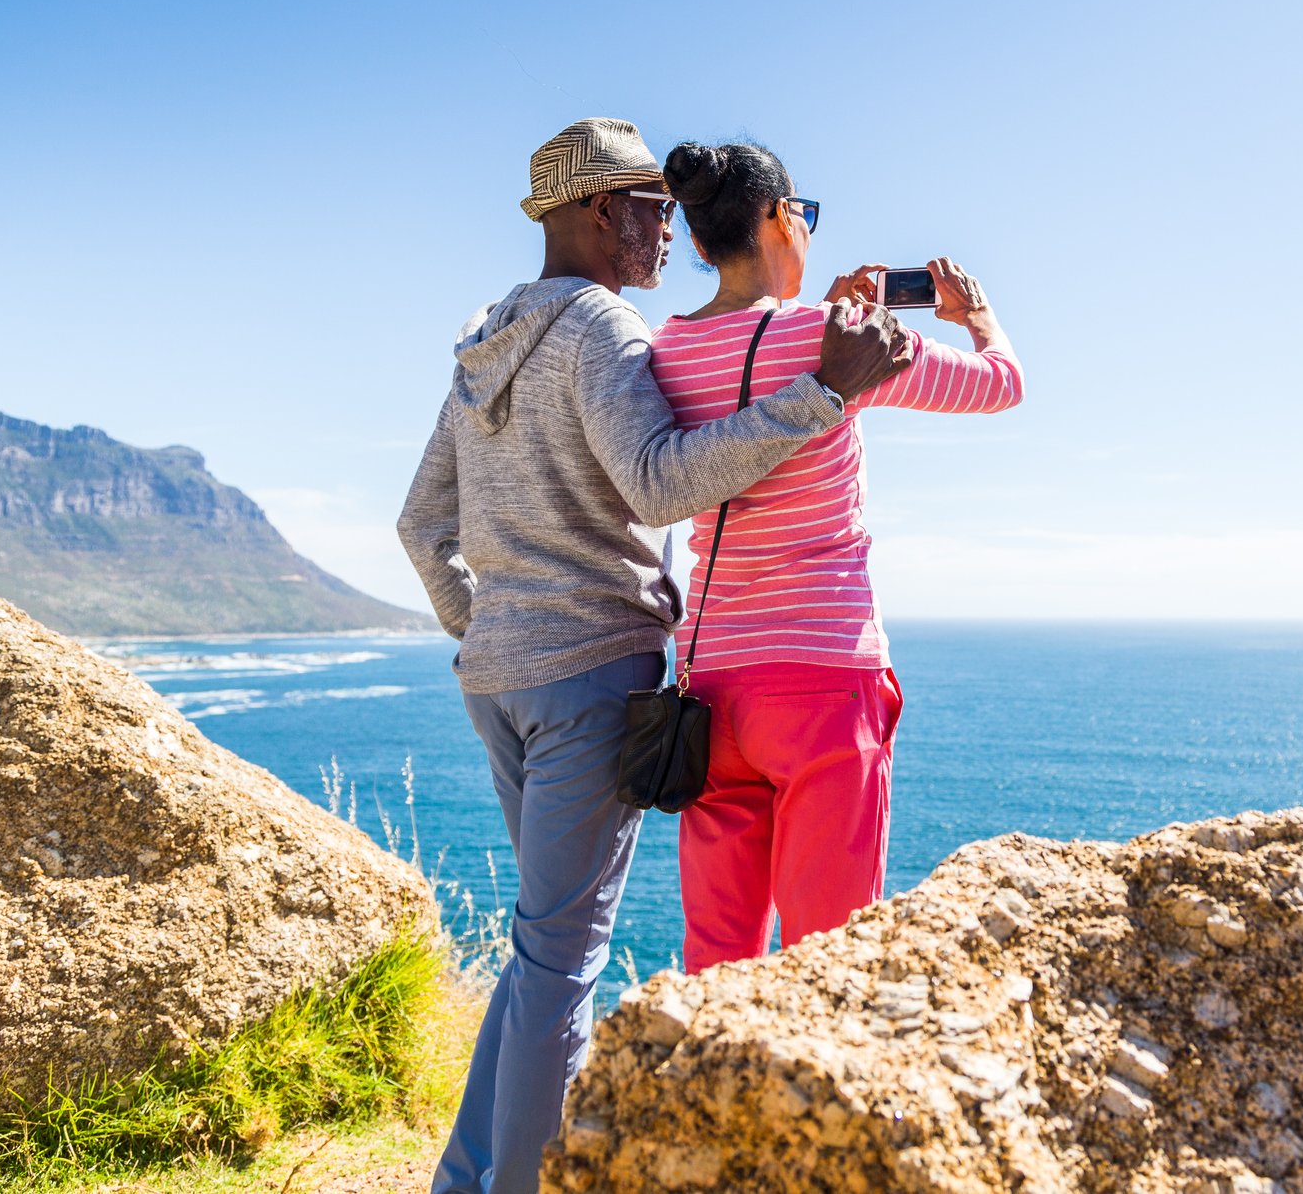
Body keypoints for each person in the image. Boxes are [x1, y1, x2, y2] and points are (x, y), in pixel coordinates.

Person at [397, 118, 911, 1194]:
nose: (669, 231)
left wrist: (482, 626)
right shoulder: (601, 330)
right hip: (590, 669)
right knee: (563, 961)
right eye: (650, 208)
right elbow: (660, 482)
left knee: (540, 947)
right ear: (598, 212)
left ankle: (464, 1177)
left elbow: (420, 524)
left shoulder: (486, 340)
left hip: (500, 679)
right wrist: (817, 397)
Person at [647, 140, 1023, 974]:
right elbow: (1000, 384)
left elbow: (743, 370)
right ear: (781, 217)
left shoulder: (661, 351)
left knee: (718, 954)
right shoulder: (845, 339)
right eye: (802, 215)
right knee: (829, 947)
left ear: (701, 244)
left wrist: (816, 312)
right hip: (821, 675)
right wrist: (974, 315)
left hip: (709, 684)